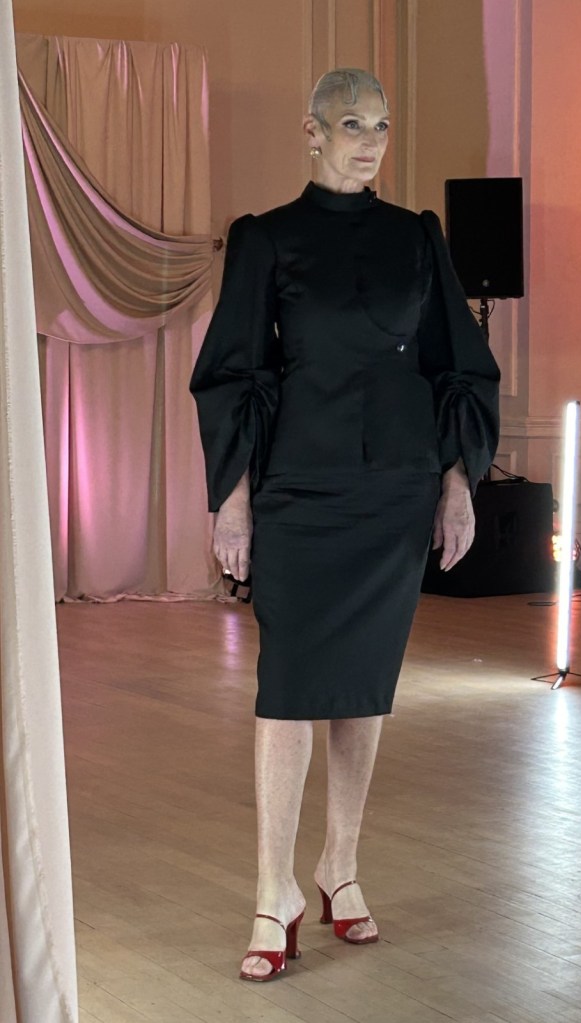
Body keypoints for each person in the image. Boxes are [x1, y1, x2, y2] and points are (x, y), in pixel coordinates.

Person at [190, 67, 500, 982]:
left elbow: (459, 365)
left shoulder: (418, 237)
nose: (371, 141)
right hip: (299, 492)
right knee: (288, 687)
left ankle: (341, 867)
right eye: (353, 123)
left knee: (363, 685)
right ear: (313, 131)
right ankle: (271, 888)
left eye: (383, 125)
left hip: (396, 492)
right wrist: (233, 498)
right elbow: (234, 372)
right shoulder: (266, 239)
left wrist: (457, 481)